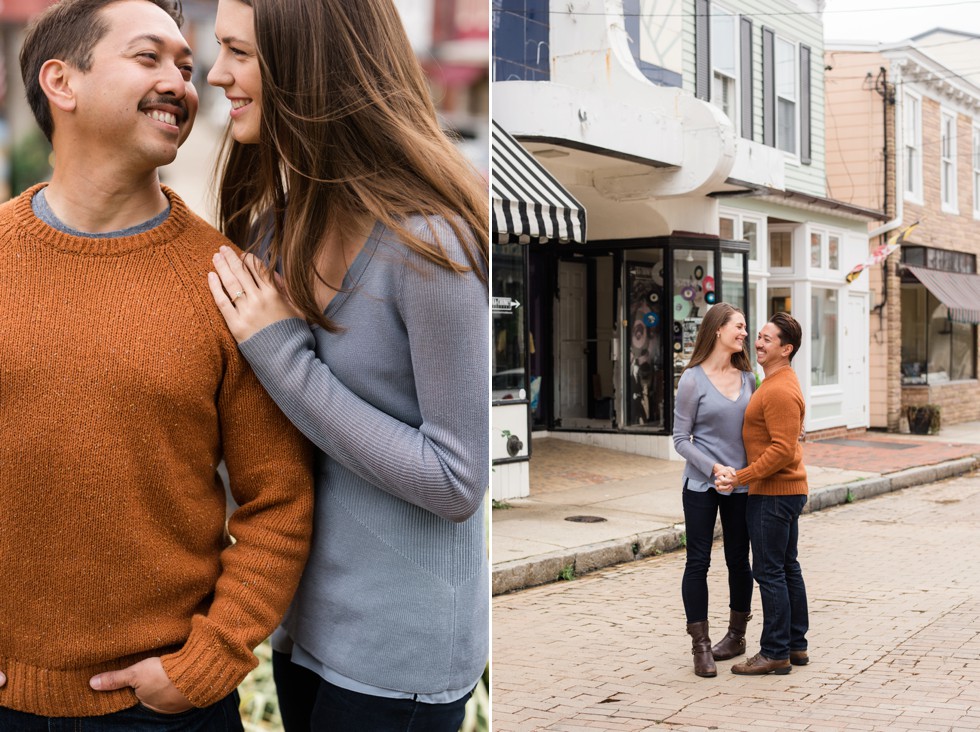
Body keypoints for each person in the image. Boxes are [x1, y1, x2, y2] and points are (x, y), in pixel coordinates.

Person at [0, 0, 314, 727]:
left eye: (184, 63)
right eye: (149, 57)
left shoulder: (229, 279)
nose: (183, 78)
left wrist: (209, 660)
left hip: (167, 707)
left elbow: (280, 501)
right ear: (62, 82)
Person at [205, 0, 489, 729]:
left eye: (239, 52)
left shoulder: (430, 245)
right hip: (303, 632)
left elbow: (457, 479)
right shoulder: (280, 228)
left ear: (308, 61)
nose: (217, 74)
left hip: (400, 660)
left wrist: (284, 357)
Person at [718, 312, 810, 676]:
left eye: (767, 339)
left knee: (770, 572)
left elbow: (782, 450)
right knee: (787, 568)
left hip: (773, 493)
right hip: (782, 491)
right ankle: (795, 645)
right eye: (758, 336)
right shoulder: (773, 382)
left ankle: (774, 651)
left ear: (786, 349)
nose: (758, 343)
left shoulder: (780, 388)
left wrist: (742, 476)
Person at [672, 303, 756, 678]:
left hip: (741, 485)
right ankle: (700, 646)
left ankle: (737, 636)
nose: (743, 333)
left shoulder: (749, 378)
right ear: (718, 330)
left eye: (744, 328)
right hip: (702, 485)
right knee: (698, 563)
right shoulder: (692, 379)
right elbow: (680, 439)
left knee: (739, 562)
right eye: (738, 327)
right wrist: (714, 467)